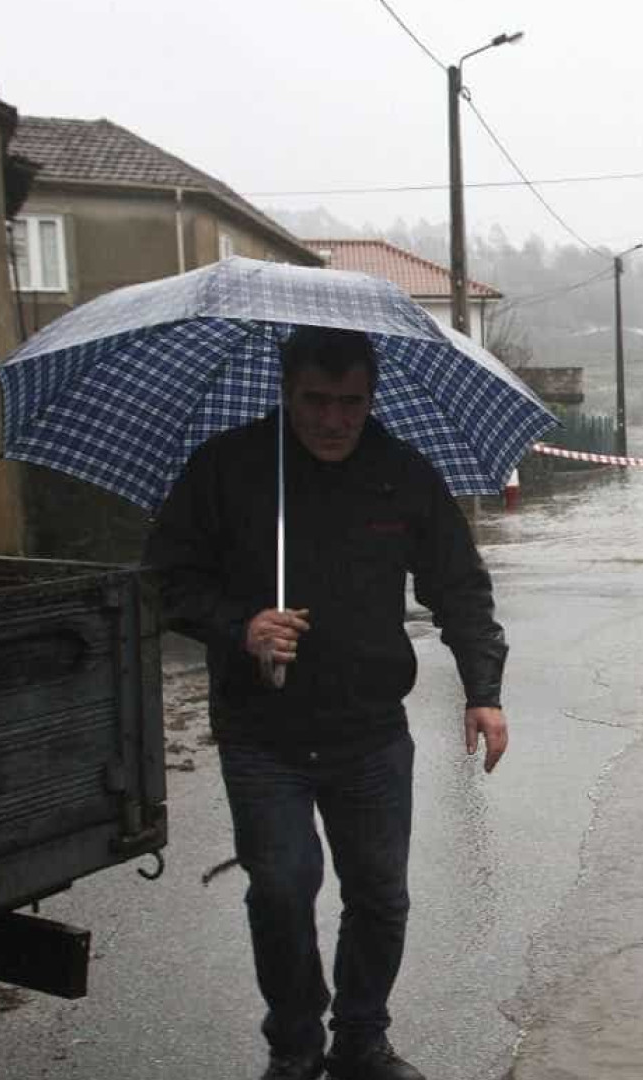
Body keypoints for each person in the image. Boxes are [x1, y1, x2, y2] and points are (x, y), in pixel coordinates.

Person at [145, 326, 510, 1080]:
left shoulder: (402, 474)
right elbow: (165, 581)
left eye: (351, 402)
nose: (334, 420)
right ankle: (294, 1045)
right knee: (281, 889)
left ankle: (360, 1040)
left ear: (372, 398)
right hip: (260, 731)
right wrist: (238, 626)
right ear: (287, 391)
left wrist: (484, 690)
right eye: (316, 400)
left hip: (370, 730)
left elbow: (460, 587)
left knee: (380, 897)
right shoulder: (228, 469)